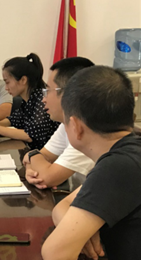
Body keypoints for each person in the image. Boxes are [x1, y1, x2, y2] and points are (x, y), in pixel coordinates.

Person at [42, 66, 141, 260]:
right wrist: (83, 231)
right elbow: (64, 205)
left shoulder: (116, 167)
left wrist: (77, 232)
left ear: (75, 126)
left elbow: (55, 253)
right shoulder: (130, 149)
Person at [23, 57, 95, 189]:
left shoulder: (88, 130)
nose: (43, 99)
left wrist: (31, 155)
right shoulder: (66, 124)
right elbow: (44, 156)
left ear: (68, 94)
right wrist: (30, 168)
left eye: (47, 91)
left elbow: (47, 178)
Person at [0, 53, 60, 149]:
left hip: (47, 154)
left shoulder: (42, 100)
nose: (6, 88)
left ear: (23, 80)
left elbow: (30, 135)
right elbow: (15, 119)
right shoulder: (27, 99)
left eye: (7, 82)